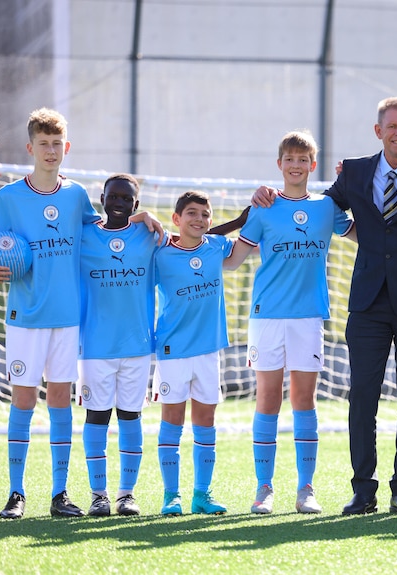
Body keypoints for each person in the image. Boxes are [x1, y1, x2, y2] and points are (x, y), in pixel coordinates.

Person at [253, 97, 397, 514]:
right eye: (392, 126)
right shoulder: (355, 172)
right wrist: (270, 194)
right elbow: (313, 208)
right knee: (361, 397)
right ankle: (363, 489)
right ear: (378, 130)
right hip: (366, 304)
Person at [0, 108, 160, 519]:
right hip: (25, 316)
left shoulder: (75, 196)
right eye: (44, 144)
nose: (51, 151)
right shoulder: (8, 197)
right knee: (23, 400)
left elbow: (107, 226)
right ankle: (16, 493)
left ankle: (59, 494)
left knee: (59, 400)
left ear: (66, 147)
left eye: (58, 144)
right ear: (30, 148)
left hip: (69, 318)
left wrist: (142, 215)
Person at [219, 131, 354, 515]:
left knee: (304, 401)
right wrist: (186, 247)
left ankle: (305, 489)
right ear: (279, 164)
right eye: (289, 159)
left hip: (308, 317)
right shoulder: (263, 206)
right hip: (266, 316)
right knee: (267, 400)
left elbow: (364, 235)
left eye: (303, 159)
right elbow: (233, 260)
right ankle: (264, 489)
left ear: (314, 165)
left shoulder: (327, 207)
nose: (296, 165)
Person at [78, 173, 163, 517]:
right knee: (96, 416)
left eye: (126, 200)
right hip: (95, 347)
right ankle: (98, 494)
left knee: (131, 417)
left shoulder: (149, 236)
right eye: (113, 197)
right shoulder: (83, 236)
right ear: (102, 198)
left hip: (138, 346)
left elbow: (190, 241)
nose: (118, 203)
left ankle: (126, 494)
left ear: (136, 205)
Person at [152, 190, 235, 516]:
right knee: (172, 420)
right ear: (176, 219)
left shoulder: (216, 246)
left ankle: (202, 494)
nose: (198, 219)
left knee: (206, 421)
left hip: (207, 351)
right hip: (172, 349)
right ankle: (171, 495)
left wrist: (251, 214)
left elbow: (247, 241)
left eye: (204, 214)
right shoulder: (159, 253)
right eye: (191, 213)